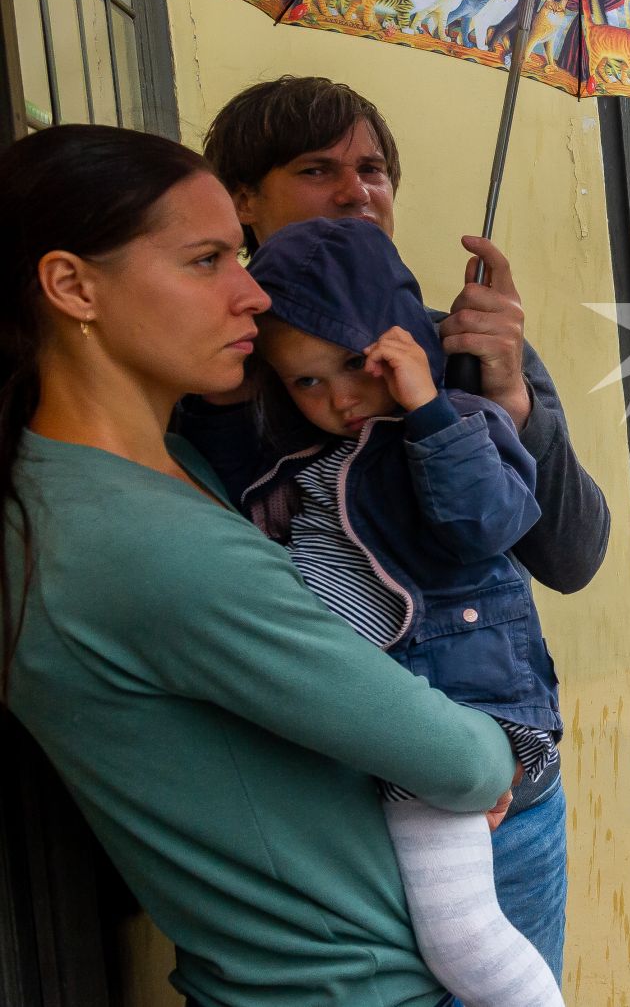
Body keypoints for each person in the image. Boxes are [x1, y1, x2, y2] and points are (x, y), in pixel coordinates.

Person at [1, 124, 517, 1006]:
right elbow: (464, 760)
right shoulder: (144, 544)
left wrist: (498, 399)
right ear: (71, 285)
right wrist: (495, 746)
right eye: (206, 260)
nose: (250, 291)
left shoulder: (144, 472)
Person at [181, 76, 609, 974]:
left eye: (373, 168)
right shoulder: (211, 376)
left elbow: (571, 555)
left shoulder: (459, 342)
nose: (356, 191)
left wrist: (510, 396)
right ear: (243, 202)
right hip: (317, 805)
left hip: (492, 794)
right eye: (318, 168)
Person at [232, 217, 563, 1007]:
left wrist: (426, 410)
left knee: (465, 942)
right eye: (308, 382)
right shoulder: (311, 463)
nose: (341, 397)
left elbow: (490, 525)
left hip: (466, 720)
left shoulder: (465, 423)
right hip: (386, 735)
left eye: (357, 363)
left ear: (406, 340)